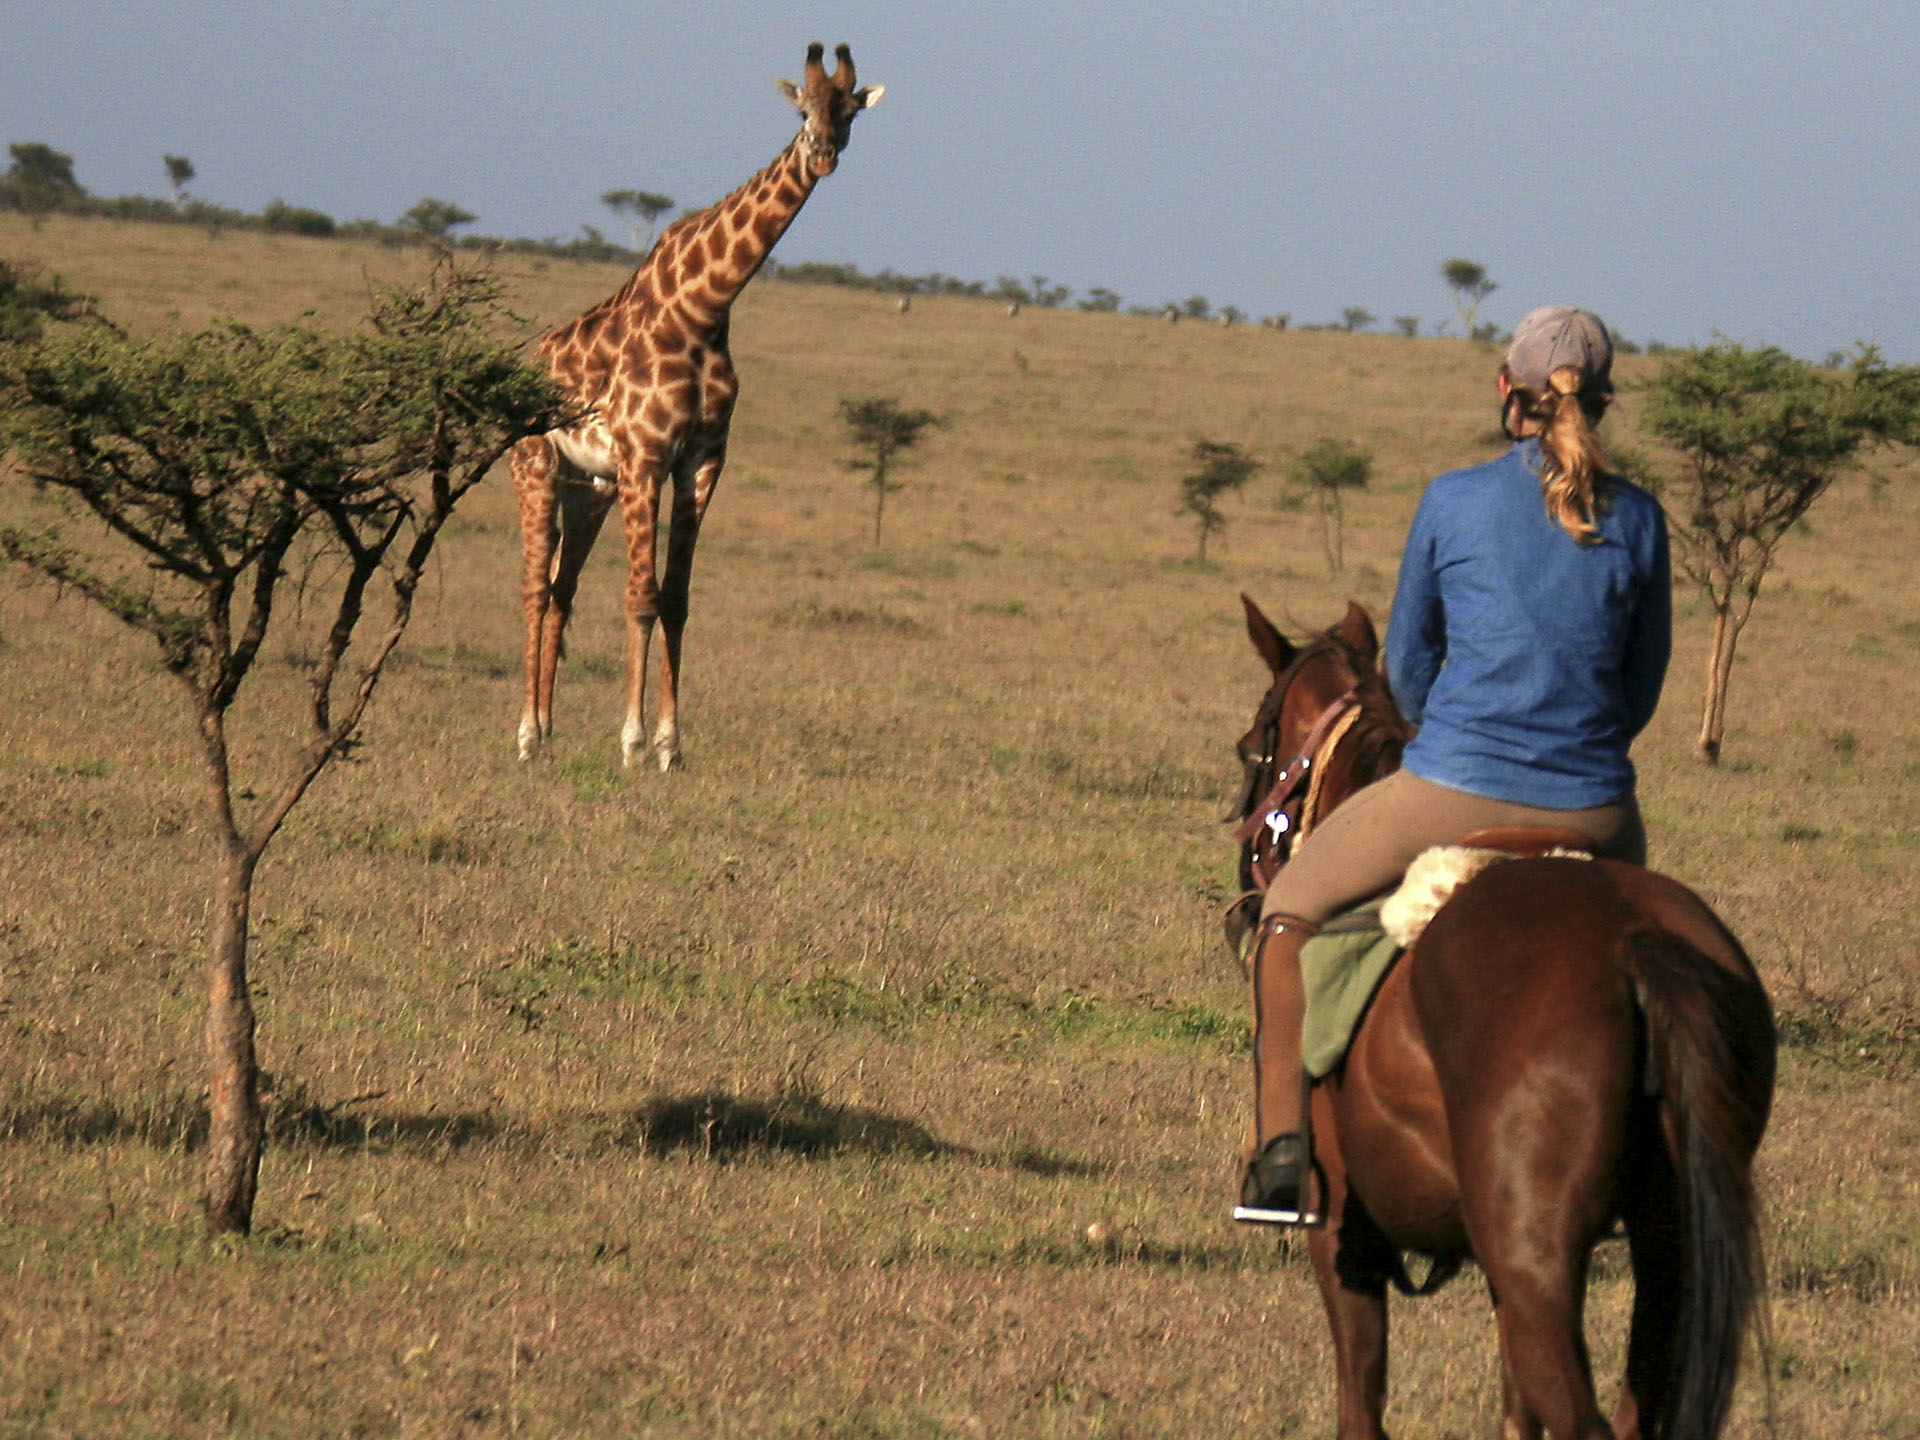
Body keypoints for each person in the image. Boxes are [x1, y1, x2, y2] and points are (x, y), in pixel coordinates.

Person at [1236, 305, 1672, 1225]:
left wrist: (1457, 744)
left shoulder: (1452, 498)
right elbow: (1638, 695)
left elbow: (1409, 665)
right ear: (1603, 402)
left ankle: (1282, 1157)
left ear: (1505, 391)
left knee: (1285, 913)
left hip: (1450, 786)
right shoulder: (1641, 519)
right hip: (1599, 811)